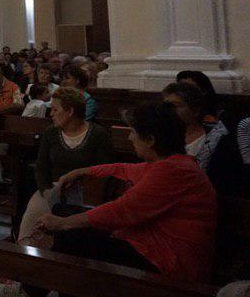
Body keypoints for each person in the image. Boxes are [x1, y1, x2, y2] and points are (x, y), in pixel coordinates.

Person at [11, 102, 217, 293]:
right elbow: (122, 168)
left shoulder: (174, 171)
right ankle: (32, 289)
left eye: (134, 132)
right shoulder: (169, 163)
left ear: (151, 139)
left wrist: (64, 224)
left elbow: (123, 210)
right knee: (63, 213)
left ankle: (29, 291)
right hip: (150, 245)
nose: (130, 137)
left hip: (169, 262)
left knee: (74, 238)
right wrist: (83, 171)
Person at [16, 87, 115, 247]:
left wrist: (81, 184)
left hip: (87, 193)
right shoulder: (51, 133)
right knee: (33, 215)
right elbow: (41, 167)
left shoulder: (98, 134)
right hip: (52, 188)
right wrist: (46, 190)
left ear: (70, 111)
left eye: (55, 109)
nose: (51, 114)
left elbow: (105, 170)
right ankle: (29, 253)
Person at [163, 82, 243, 193]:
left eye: (175, 106)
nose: (168, 111)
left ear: (195, 110)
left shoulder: (221, 141)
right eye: (165, 106)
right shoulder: (162, 136)